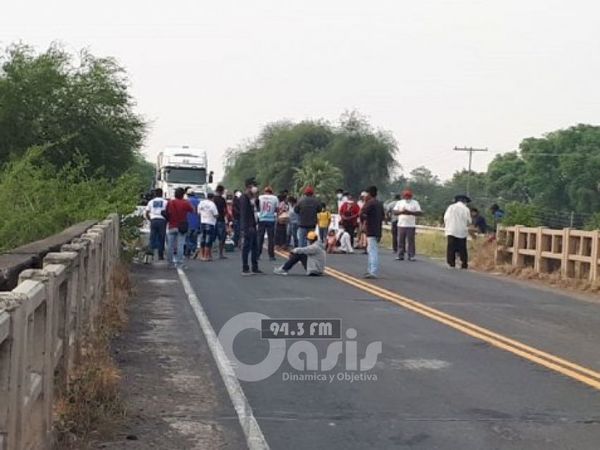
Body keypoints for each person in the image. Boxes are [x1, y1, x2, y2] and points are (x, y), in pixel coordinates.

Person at [166, 187, 194, 269]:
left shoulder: (170, 202)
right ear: (183, 195)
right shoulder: (185, 203)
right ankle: (180, 263)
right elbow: (193, 210)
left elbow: (167, 212)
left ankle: (170, 263)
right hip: (181, 226)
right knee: (180, 245)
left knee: (170, 246)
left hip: (171, 226)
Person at [361, 186, 385, 278]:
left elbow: (362, 213)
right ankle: (370, 269)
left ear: (369, 194)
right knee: (371, 249)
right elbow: (383, 216)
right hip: (378, 229)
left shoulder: (369, 203)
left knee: (372, 250)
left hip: (371, 229)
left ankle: (373, 271)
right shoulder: (379, 203)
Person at [239, 178, 262, 275]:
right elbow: (244, 214)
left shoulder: (252, 198)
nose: (255, 188)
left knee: (255, 247)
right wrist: (246, 227)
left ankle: (255, 267)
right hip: (249, 226)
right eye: (253, 186)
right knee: (246, 247)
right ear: (249, 187)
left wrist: (256, 199)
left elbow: (257, 209)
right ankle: (245, 268)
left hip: (254, 224)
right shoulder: (244, 198)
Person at [393, 189, 423, 261]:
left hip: (411, 225)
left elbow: (419, 212)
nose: (407, 197)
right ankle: (400, 254)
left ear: (411, 196)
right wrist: (402, 212)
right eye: (405, 196)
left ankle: (411, 255)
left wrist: (410, 212)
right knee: (400, 240)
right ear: (403, 196)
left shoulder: (415, 203)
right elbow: (394, 212)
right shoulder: (400, 202)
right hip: (401, 224)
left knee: (410, 241)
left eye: (408, 196)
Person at [444, 195, 472, 269]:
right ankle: (464, 263)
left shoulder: (450, 207)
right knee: (462, 248)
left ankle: (451, 263)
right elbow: (469, 221)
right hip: (461, 231)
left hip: (451, 230)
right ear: (465, 202)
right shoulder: (466, 209)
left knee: (451, 247)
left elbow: (445, 218)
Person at [145, 188, 168, 260]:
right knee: (162, 237)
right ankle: (160, 255)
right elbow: (168, 212)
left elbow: (147, 212)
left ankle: (150, 254)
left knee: (152, 237)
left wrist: (150, 219)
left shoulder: (151, 202)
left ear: (155, 194)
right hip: (162, 220)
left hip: (153, 220)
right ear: (162, 194)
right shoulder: (165, 202)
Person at [257, 186, 279, 261]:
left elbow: (258, 208)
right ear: (271, 192)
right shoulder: (275, 198)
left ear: (265, 191)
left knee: (260, 238)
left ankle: (258, 255)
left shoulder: (260, 197)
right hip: (271, 220)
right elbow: (277, 209)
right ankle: (271, 256)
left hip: (262, 219)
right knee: (271, 239)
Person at [198, 192, 219, 261]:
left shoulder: (201, 203)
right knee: (208, 240)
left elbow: (198, 212)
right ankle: (206, 256)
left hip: (202, 222)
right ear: (212, 198)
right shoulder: (212, 204)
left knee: (202, 239)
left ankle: (201, 255)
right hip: (210, 223)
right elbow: (216, 214)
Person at [213, 185, 228, 259]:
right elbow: (225, 210)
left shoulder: (213, 199)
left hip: (212, 220)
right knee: (222, 237)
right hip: (221, 220)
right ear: (221, 191)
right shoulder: (222, 199)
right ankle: (220, 254)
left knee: (211, 237)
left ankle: (208, 254)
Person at [184, 189, 201, 258]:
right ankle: (193, 251)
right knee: (194, 239)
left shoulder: (186, 201)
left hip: (188, 222)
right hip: (196, 222)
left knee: (187, 239)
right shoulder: (198, 201)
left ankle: (190, 251)